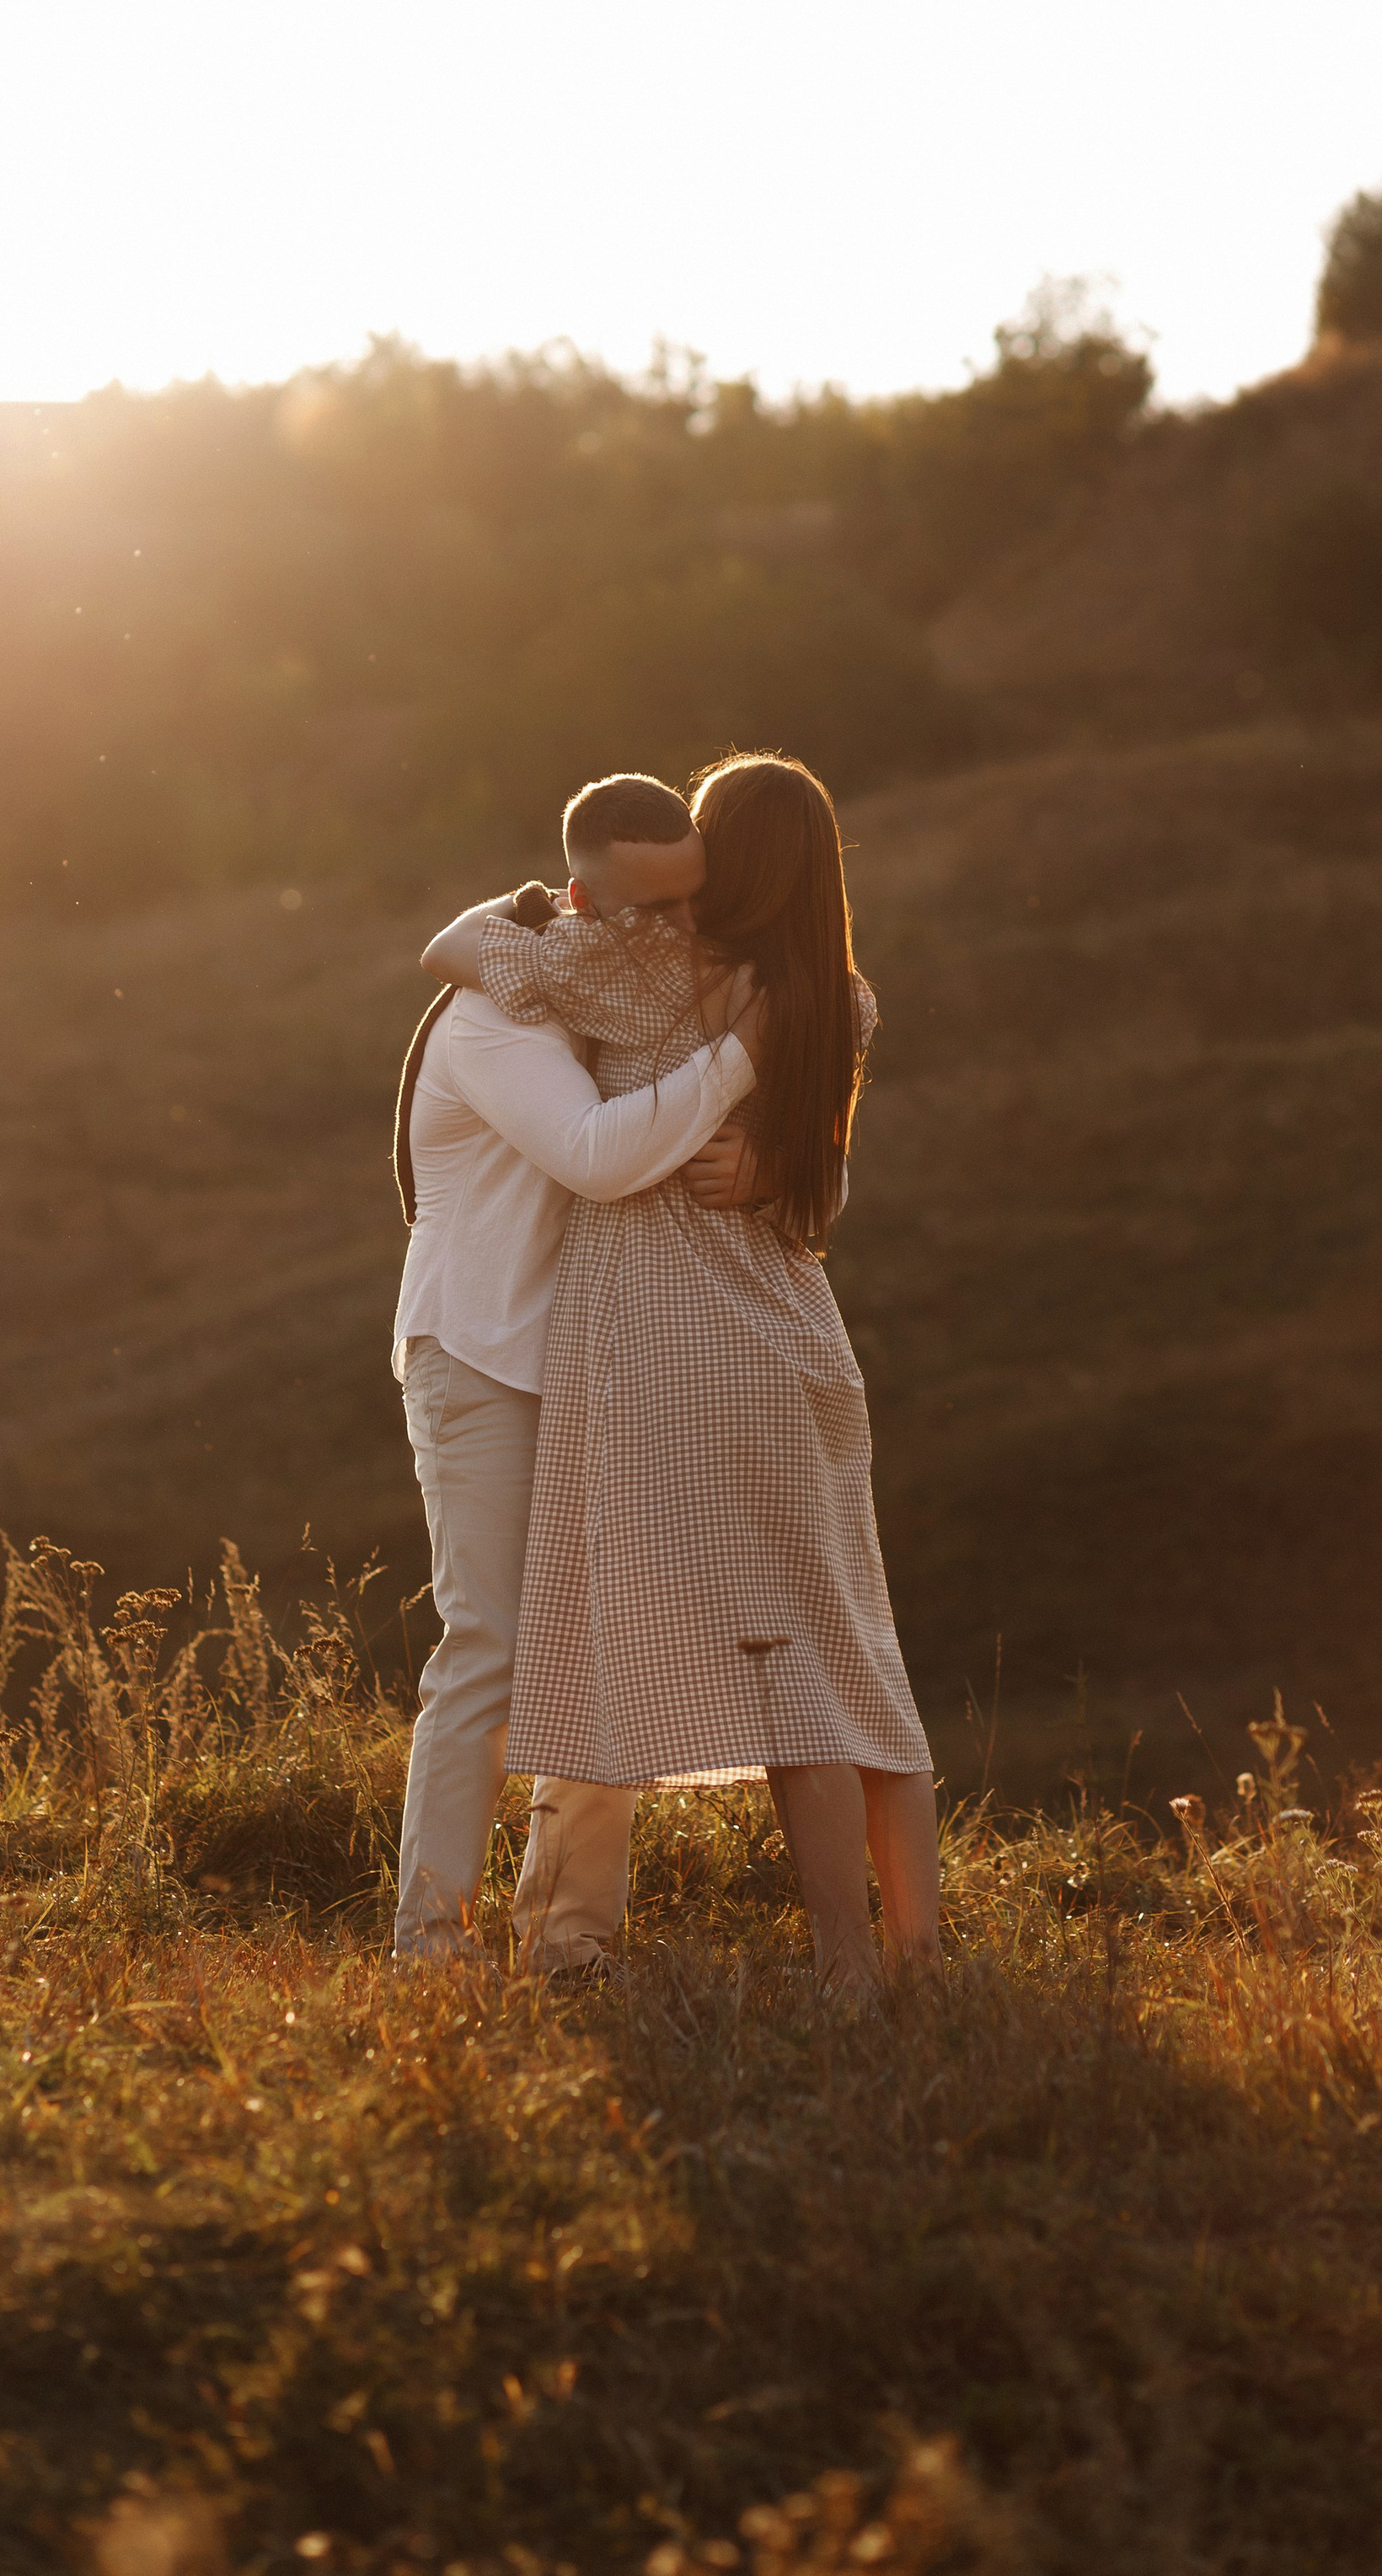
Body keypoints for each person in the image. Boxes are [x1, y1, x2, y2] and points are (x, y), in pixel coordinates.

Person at [420, 749, 940, 1997]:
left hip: (665, 1341)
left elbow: (453, 951)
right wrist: (774, 1144)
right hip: (799, 1339)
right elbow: (822, 1173)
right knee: (841, 1648)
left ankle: (544, 1944)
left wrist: (552, 900)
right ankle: (899, 1963)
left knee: (668, 1639)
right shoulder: (836, 998)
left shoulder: (637, 968)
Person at [390, 772, 767, 1967]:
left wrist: (767, 1163)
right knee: (492, 1648)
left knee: (607, 1646)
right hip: (482, 1354)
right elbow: (603, 1157)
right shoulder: (496, 1018)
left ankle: (568, 1943)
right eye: (645, 909)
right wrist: (748, 1053)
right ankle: (431, 1947)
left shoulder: (625, 1012)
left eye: (688, 907)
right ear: (577, 896)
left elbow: (766, 1158)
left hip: (602, 1367)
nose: (671, 933)